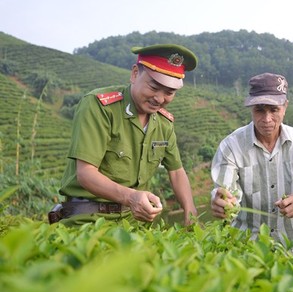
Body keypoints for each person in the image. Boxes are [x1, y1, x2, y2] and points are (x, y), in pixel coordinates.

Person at [52, 44, 198, 226]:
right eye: (153, 87)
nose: (160, 99)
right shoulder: (100, 107)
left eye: (169, 92)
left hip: (135, 222)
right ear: (135, 74)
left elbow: (176, 171)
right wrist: (131, 198)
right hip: (87, 219)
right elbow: (86, 173)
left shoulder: (164, 123)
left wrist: (190, 212)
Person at [210, 72, 293, 257]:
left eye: (274, 110)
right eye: (260, 110)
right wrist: (223, 202)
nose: (267, 119)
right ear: (251, 108)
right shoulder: (232, 146)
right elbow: (227, 194)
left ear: (285, 107)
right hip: (245, 253)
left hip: (290, 252)